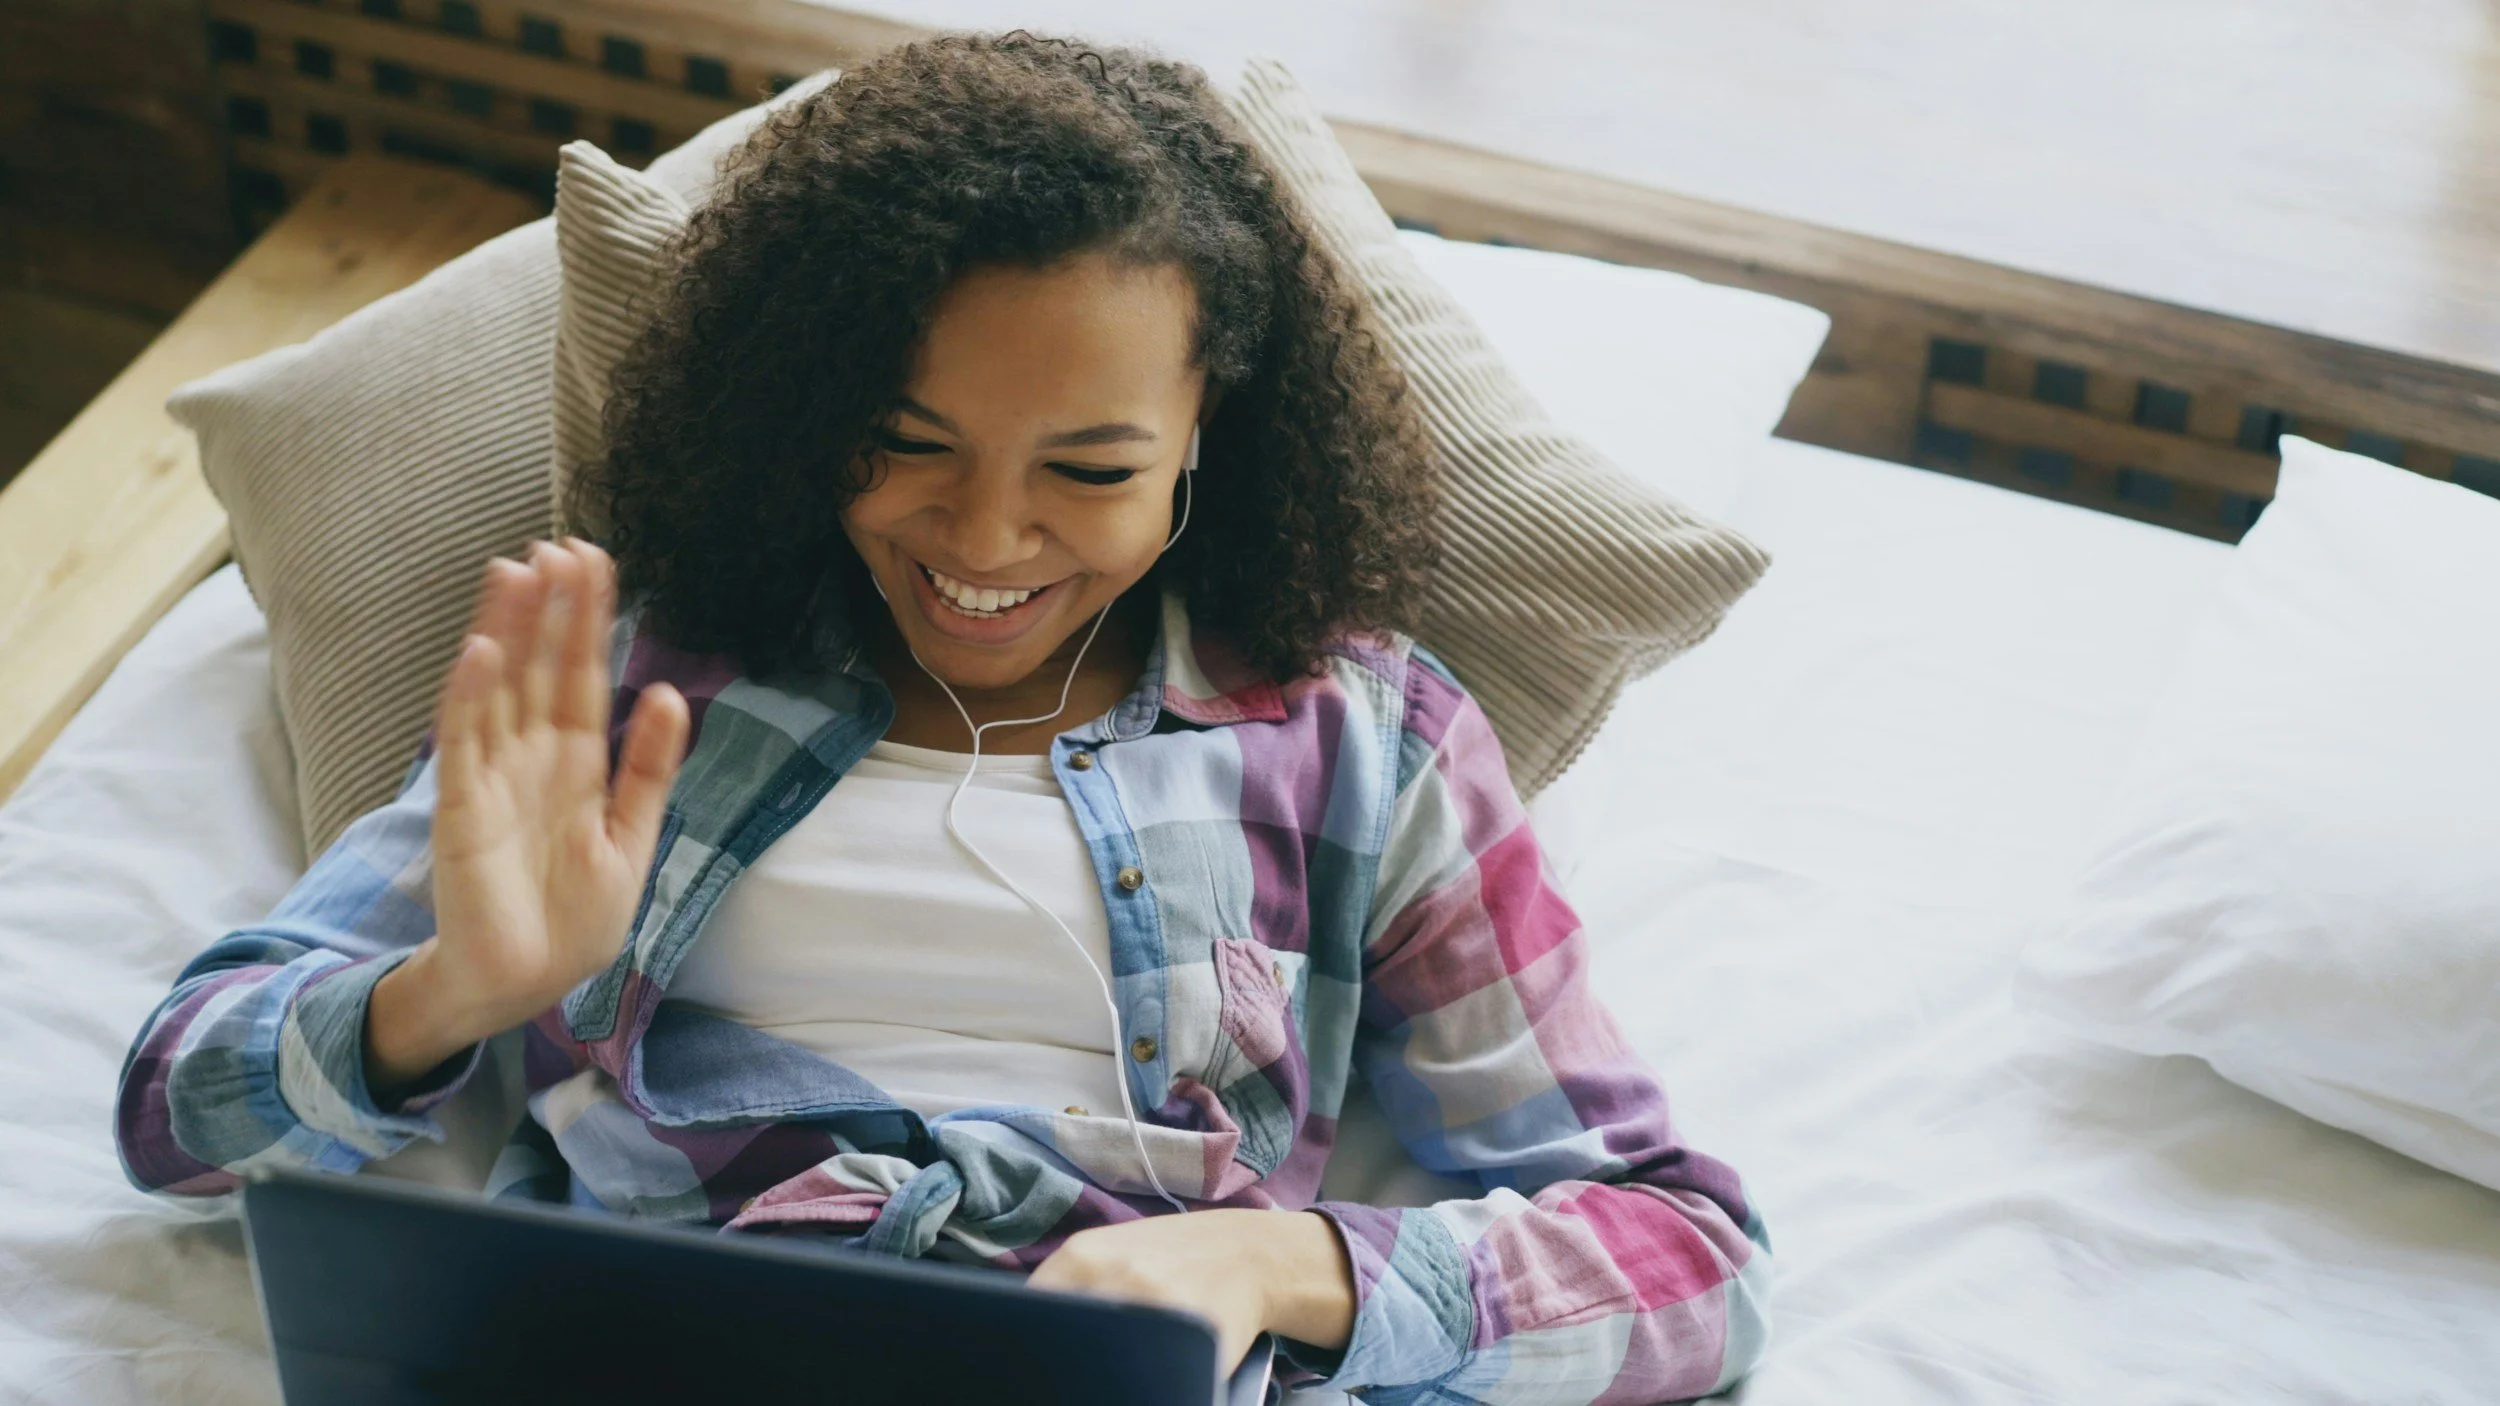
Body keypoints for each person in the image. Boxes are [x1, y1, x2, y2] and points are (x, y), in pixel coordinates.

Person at [113, 31, 1769, 1401]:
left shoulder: (1364, 745)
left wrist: (1269, 1260)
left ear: (1210, 436)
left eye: (1090, 469)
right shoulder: (634, 678)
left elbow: (1686, 1261)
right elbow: (172, 1109)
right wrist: (446, 992)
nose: (983, 542)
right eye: (907, 443)